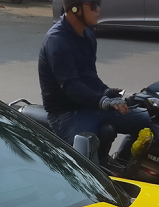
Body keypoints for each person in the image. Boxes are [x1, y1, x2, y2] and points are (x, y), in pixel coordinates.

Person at [38, 0, 150, 162]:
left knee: (149, 122)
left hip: (90, 107)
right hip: (66, 115)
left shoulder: (87, 34)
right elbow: (71, 86)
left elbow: (90, 78)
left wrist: (107, 92)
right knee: (90, 170)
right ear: (74, 8)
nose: (98, 9)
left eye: (99, 3)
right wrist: (102, 100)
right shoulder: (57, 41)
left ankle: (123, 162)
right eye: (92, 4)